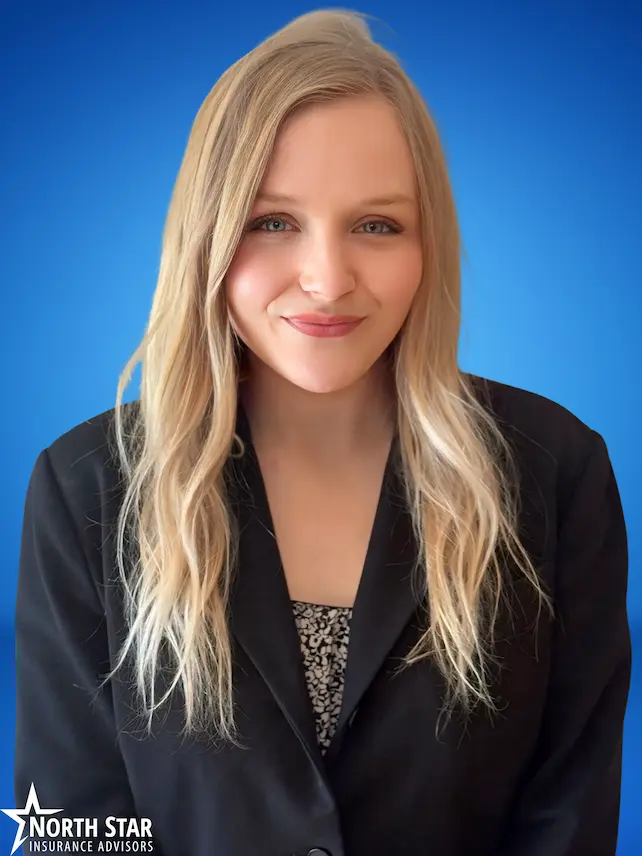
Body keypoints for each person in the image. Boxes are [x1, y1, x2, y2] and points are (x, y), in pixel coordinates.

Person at [14, 9, 631, 856]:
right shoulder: (87, 485)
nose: (327, 279)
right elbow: (77, 828)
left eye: (376, 225)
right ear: (209, 237)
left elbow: (568, 817)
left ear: (428, 247)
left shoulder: (555, 472)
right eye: (274, 222)